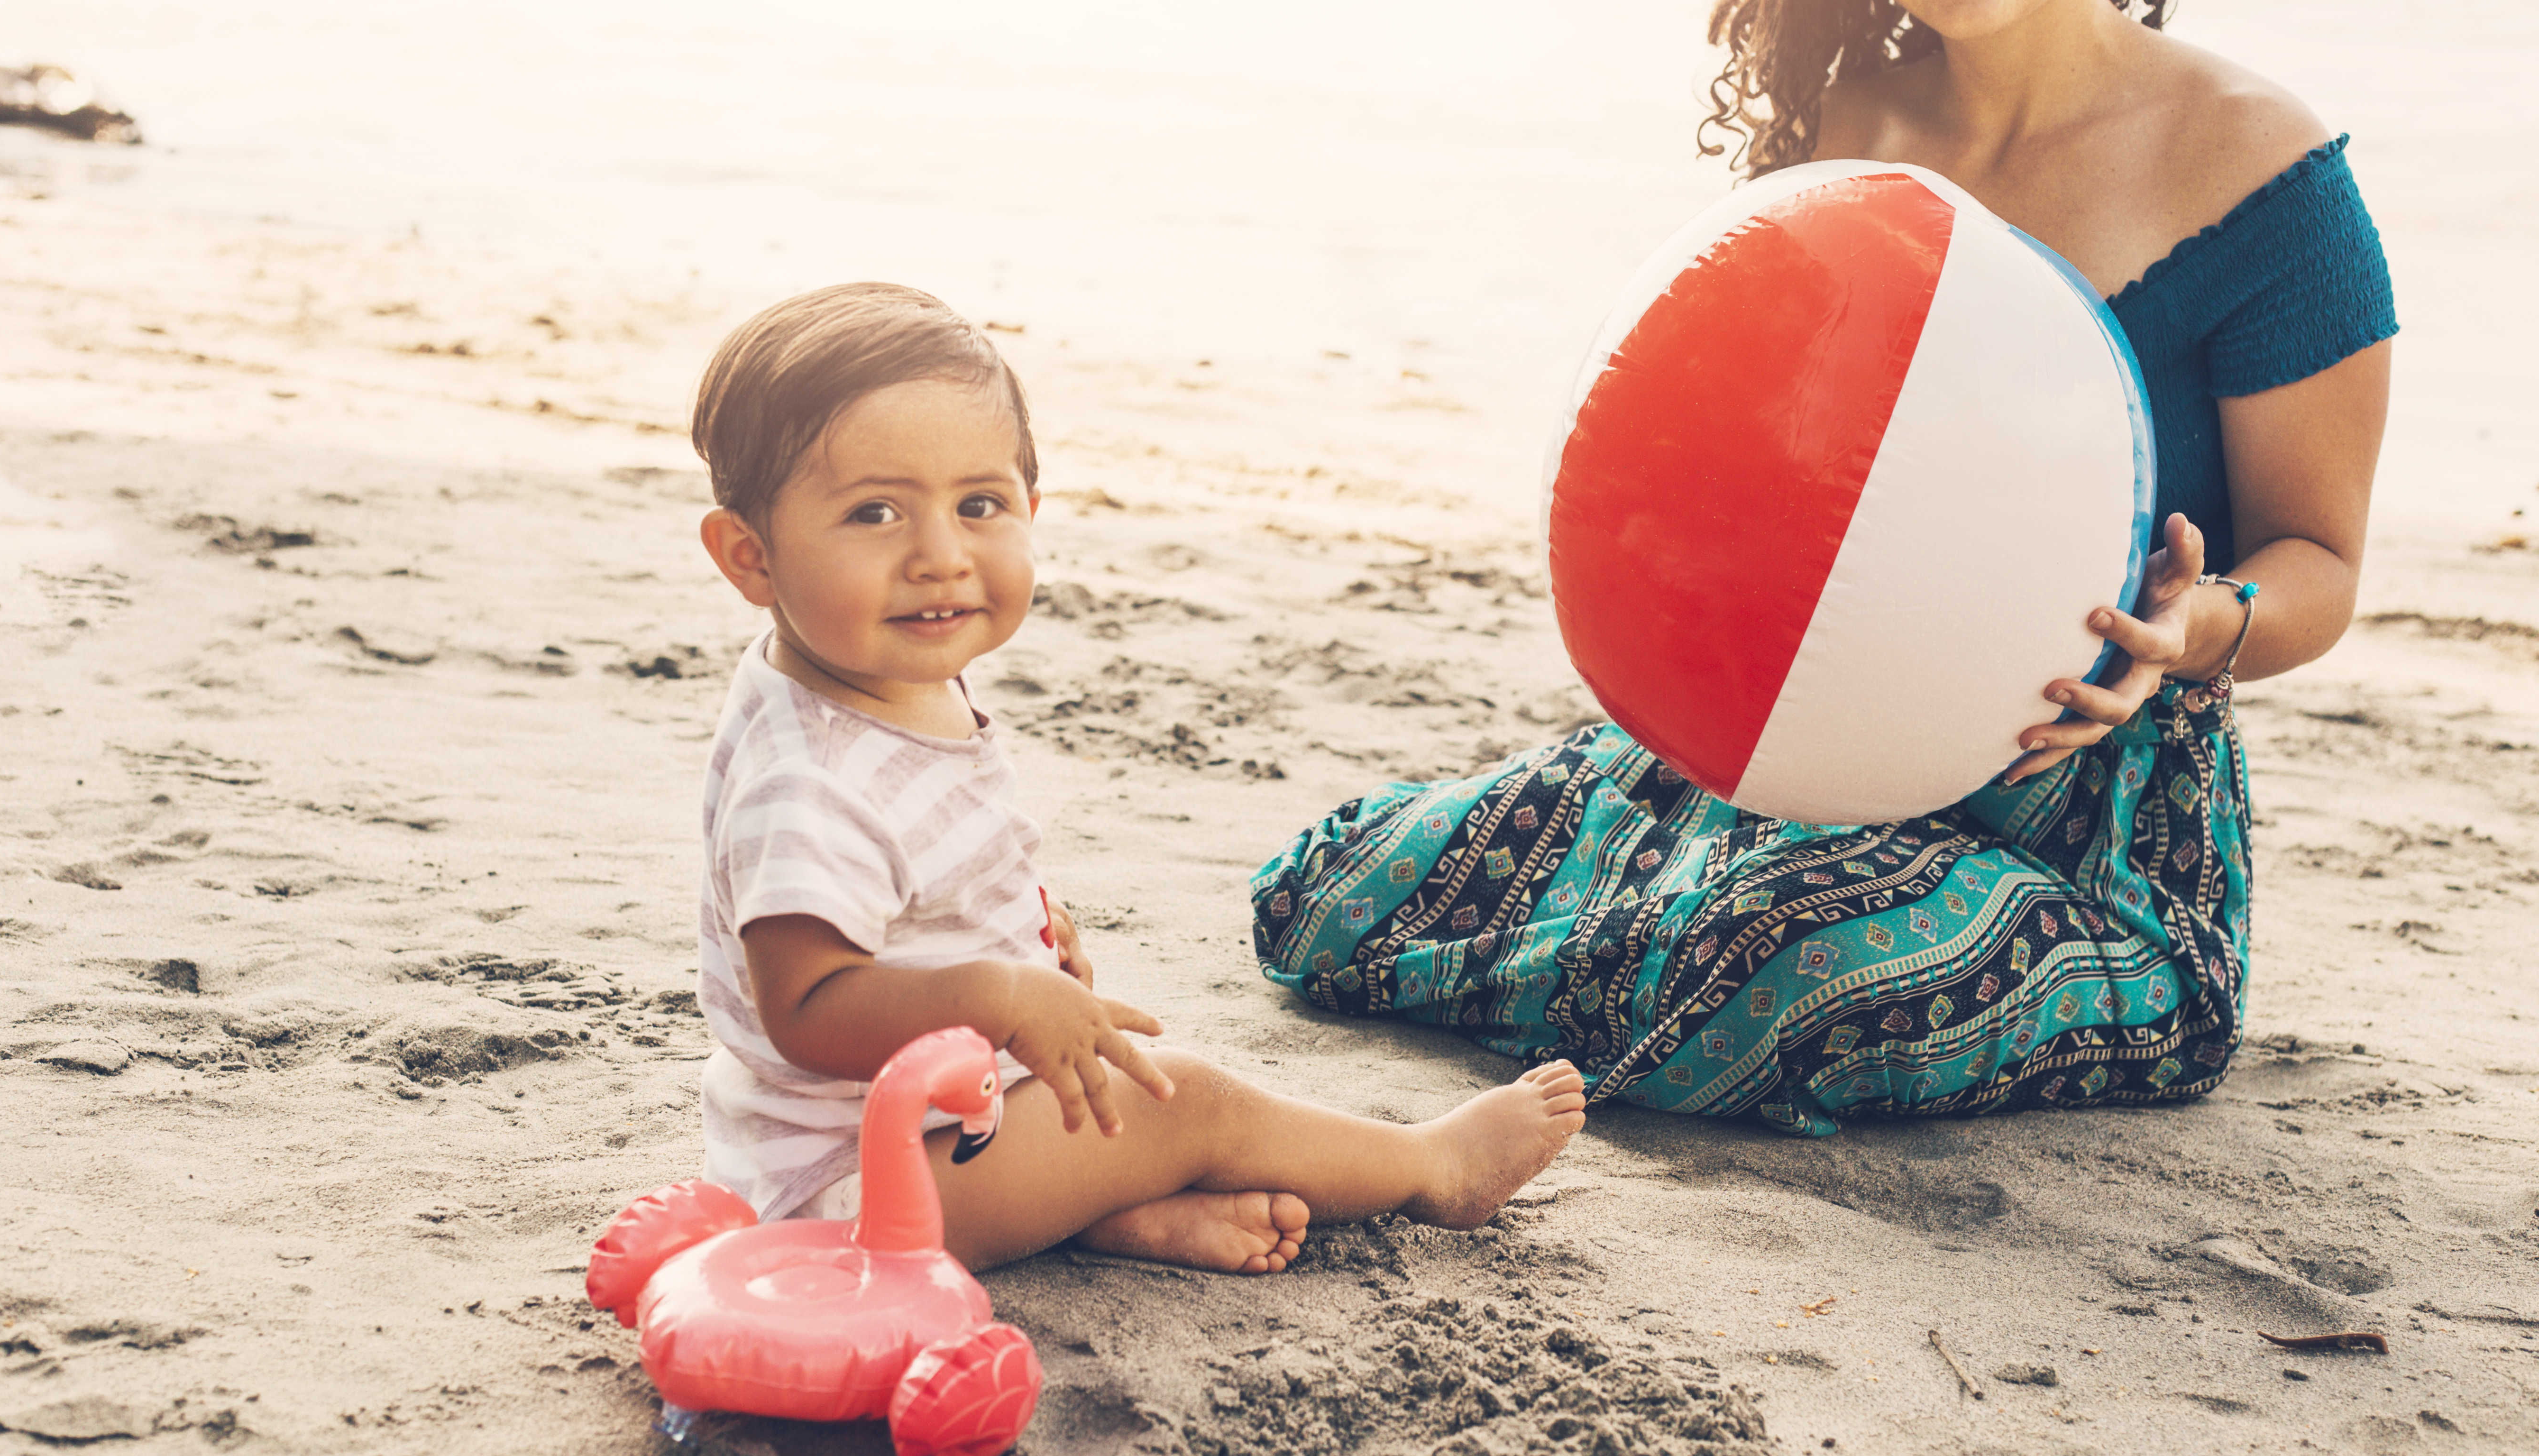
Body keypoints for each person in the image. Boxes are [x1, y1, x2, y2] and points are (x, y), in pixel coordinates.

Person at [1249, 0, 2393, 1134]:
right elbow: (1744, 457)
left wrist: (2196, 625)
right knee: (1338, 894)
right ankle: (1628, 979)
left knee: (1768, 974)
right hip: (1797, 758)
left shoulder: (2262, 167)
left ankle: (1633, 984)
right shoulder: (1847, 123)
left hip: (2087, 820)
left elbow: (2321, 561)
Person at [686, 283, 1587, 1273]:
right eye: (874, 513)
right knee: (1182, 1100)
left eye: (978, 505)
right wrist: (998, 992)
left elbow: (913, 873)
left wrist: (1012, 925)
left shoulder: (873, 667)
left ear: (1030, 508)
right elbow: (806, 1007)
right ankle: (1431, 1169)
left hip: (949, 1116)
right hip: (859, 1186)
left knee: (1109, 1110)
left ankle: (1111, 1218)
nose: (940, 557)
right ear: (751, 558)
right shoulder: (806, 781)